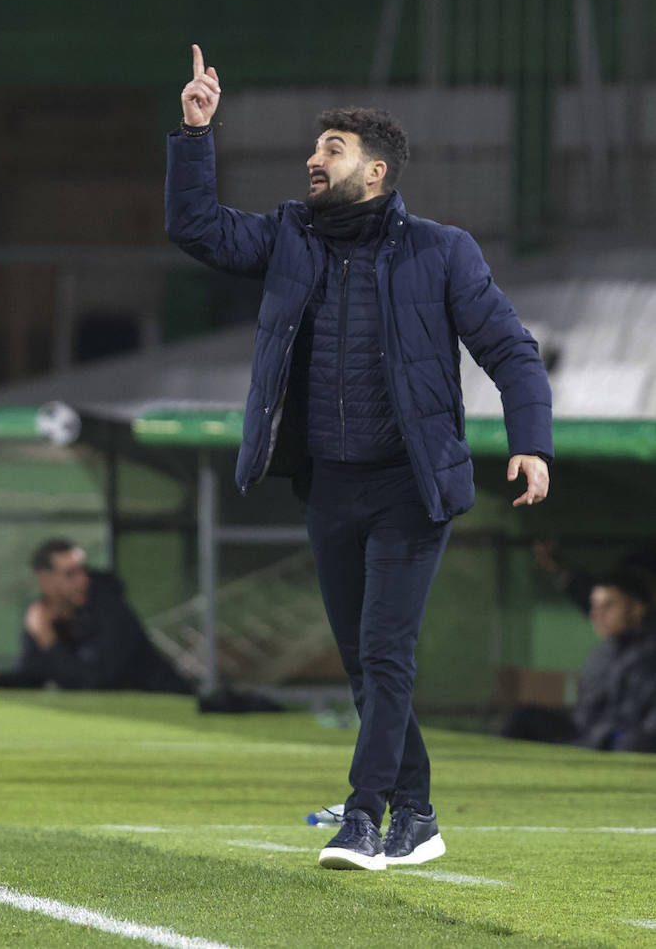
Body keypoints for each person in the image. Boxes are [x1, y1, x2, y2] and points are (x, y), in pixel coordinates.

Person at [165, 46, 553, 871]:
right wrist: (196, 134)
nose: (312, 159)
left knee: (384, 653)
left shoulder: (442, 251)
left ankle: (366, 819)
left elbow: (513, 352)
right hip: (330, 487)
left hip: (412, 486)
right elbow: (196, 229)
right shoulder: (290, 236)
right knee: (364, 663)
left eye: (331, 150)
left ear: (374, 171)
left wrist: (531, 443)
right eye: (316, 149)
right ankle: (417, 813)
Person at [0, 539, 192, 694]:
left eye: (82, 571)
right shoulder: (43, 613)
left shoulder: (109, 607)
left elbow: (94, 683)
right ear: (45, 580)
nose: (83, 580)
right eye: (70, 574)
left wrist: (48, 639)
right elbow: (36, 673)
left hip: (163, 697)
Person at [503, 567, 656, 752]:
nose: (596, 615)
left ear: (636, 609)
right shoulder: (602, 654)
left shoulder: (648, 652)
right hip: (585, 737)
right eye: (594, 606)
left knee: (632, 743)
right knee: (524, 716)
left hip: (624, 741)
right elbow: (584, 717)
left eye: (608, 606)